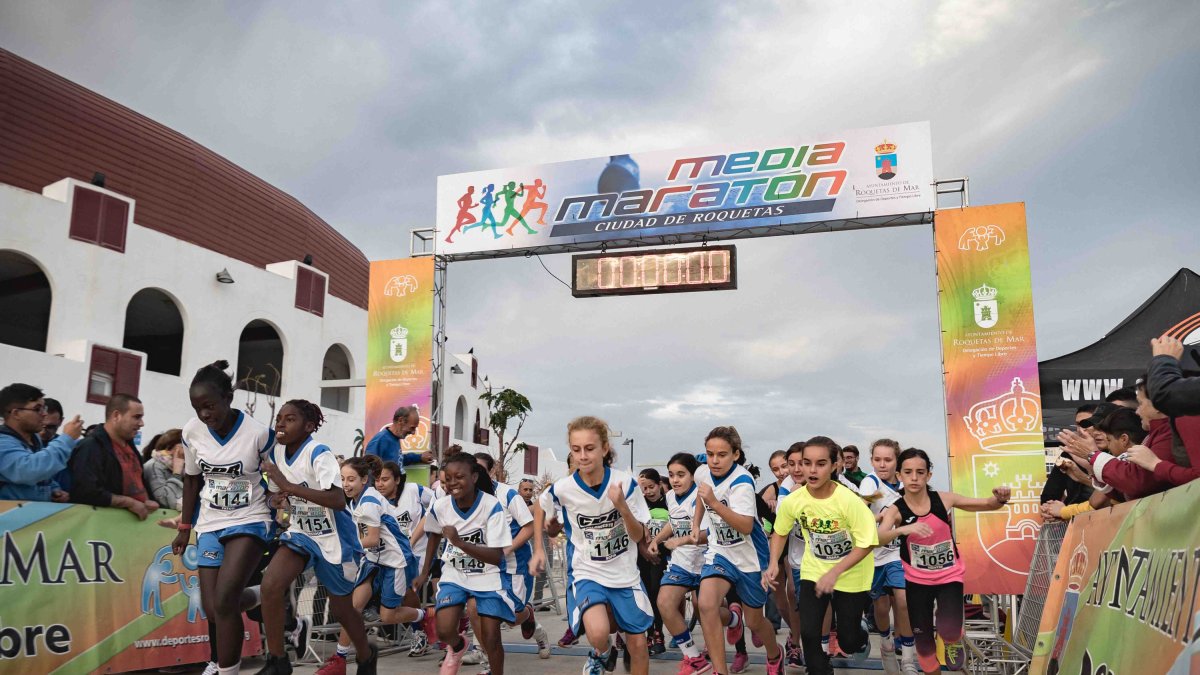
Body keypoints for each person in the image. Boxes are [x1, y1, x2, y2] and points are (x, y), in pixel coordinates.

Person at [256, 400, 377, 675]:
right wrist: (277, 498)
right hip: (301, 533)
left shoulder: (318, 453)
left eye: (290, 419)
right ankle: (277, 661)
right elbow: (279, 494)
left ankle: (367, 655)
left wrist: (288, 486)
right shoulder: (275, 454)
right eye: (279, 418)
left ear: (309, 426)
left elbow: (337, 499)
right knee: (270, 585)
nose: (281, 424)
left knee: (342, 609)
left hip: (336, 538)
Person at [530, 416, 653, 675]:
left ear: (605, 448)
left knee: (639, 644)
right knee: (598, 633)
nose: (582, 456)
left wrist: (621, 507)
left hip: (624, 574)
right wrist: (542, 545)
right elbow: (541, 506)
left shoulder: (625, 484)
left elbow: (637, 535)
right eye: (576, 450)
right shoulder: (563, 488)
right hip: (588, 571)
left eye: (589, 448)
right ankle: (603, 652)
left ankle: (609, 652)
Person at [173, 361, 274, 675]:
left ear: (229, 397)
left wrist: (283, 497)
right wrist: (184, 527)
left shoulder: (258, 434)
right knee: (213, 609)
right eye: (197, 408)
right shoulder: (192, 432)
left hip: (251, 518)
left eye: (209, 406)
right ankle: (261, 594)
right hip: (210, 523)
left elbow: (278, 475)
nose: (205, 414)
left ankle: (226, 670)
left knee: (226, 598)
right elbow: (191, 478)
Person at [878, 449, 1011, 675]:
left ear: (928, 476)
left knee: (948, 629)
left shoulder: (943, 499)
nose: (914, 477)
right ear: (899, 475)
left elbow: (985, 504)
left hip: (949, 576)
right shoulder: (896, 510)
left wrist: (999, 498)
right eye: (908, 472)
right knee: (924, 643)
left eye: (920, 472)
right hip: (917, 581)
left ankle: (952, 641)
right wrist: (904, 528)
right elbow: (879, 537)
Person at [767, 436, 875, 675]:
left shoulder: (849, 501)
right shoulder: (795, 500)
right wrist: (773, 562)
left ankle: (860, 633)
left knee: (847, 641)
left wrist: (835, 572)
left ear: (835, 465)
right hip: (814, 571)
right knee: (809, 633)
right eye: (807, 463)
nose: (812, 470)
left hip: (851, 573)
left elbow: (867, 544)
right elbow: (780, 532)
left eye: (820, 463)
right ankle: (820, 670)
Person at [319, 455, 430, 675]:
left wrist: (342, 546)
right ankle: (340, 658)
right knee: (352, 608)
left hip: (396, 561)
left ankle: (425, 616)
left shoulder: (369, 502)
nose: (345, 484)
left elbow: (371, 539)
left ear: (364, 480)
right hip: (373, 560)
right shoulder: (353, 502)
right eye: (342, 479)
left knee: (388, 617)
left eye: (351, 479)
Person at [693, 426, 784, 675]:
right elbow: (701, 496)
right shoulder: (704, 473)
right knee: (706, 604)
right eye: (710, 454)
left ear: (735, 454)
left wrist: (712, 502)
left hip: (750, 558)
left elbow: (744, 525)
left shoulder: (742, 482)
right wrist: (694, 524)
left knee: (754, 621)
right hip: (720, 552)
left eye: (721, 454)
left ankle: (775, 654)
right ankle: (720, 671)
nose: (714, 460)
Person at [416, 452, 512, 675]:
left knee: (490, 638)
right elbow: (433, 535)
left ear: (474, 477)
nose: (452, 483)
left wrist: (460, 542)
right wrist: (424, 572)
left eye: (459, 477)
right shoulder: (441, 506)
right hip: (455, 574)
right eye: (447, 479)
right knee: (444, 631)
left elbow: (497, 556)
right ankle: (458, 647)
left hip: (488, 576)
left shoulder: (492, 506)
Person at [466, 452, 552, 669]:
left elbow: (529, 526)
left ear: (491, 471)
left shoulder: (507, 494)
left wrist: (506, 549)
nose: (475, 475)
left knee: (511, 617)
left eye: (480, 470)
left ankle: (531, 620)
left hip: (514, 563)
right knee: (476, 609)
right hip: (485, 565)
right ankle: (486, 658)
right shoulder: (467, 496)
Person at [648, 452, 712, 674]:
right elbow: (673, 524)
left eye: (681, 475)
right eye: (671, 475)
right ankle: (693, 657)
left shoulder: (703, 497)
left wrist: (683, 540)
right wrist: (657, 539)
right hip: (681, 564)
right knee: (664, 603)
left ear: (693, 476)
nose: (675, 480)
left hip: (706, 561)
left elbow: (710, 533)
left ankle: (733, 620)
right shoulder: (670, 497)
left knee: (704, 609)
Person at [857, 439, 916, 674]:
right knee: (881, 608)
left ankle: (909, 659)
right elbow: (860, 513)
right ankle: (886, 643)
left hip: (898, 553)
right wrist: (881, 516)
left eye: (888, 460)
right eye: (877, 459)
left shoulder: (906, 483)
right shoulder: (870, 483)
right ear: (871, 461)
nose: (882, 464)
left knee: (903, 601)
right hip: (873, 555)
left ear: (897, 461)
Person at [375, 459, 438, 657]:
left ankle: (419, 632)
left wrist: (416, 536)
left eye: (385, 479)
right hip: (389, 556)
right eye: (376, 480)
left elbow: (438, 503)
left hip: (418, 554)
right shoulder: (375, 500)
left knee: (406, 589)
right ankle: (421, 623)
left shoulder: (413, 491)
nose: (380, 484)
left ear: (397, 479)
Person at [70, 393, 160, 518]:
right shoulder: (91, 446)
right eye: (136, 417)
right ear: (116, 416)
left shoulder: (131, 448)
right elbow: (86, 491)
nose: (141, 423)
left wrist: (146, 501)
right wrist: (128, 503)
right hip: (102, 526)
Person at [0, 383, 80, 501]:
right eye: (37, 409)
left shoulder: (34, 439)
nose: (44, 414)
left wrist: (53, 490)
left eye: (44, 408)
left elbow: (42, 478)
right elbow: (28, 471)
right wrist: (66, 439)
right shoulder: (3, 442)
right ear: (16, 413)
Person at [638, 467, 671, 657]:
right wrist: (644, 549)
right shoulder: (639, 504)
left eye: (651, 487)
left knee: (657, 594)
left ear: (660, 485)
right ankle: (649, 634)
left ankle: (658, 633)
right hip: (642, 556)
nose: (648, 491)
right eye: (644, 489)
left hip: (662, 557)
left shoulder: (669, 502)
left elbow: (675, 526)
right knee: (646, 595)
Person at [364, 405, 433, 470]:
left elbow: (399, 460)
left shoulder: (394, 438)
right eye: (412, 428)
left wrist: (419, 457)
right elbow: (368, 469)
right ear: (400, 421)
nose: (413, 432)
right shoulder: (380, 440)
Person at [143, 428, 186, 511]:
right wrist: (176, 473)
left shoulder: (185, 469)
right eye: (184, 447)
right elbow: (165, 501)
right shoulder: (154, 466)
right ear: (168, 449)